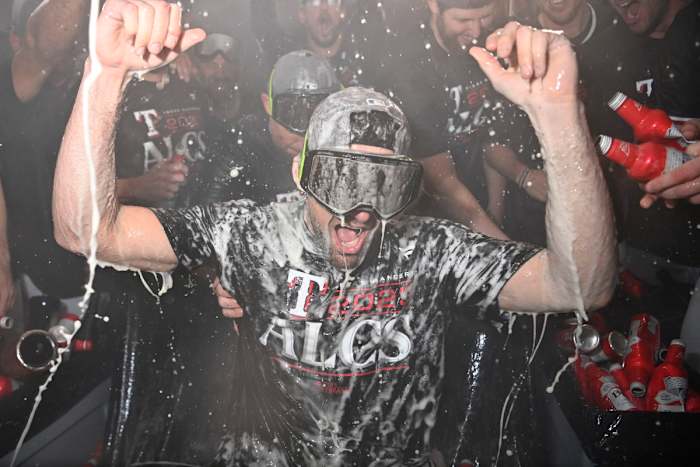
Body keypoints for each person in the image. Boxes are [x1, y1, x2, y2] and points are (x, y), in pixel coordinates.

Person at [53, 1, 615, 464]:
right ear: (302, 174)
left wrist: (561, 117)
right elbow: (85, 232)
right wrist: (103, 77)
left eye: (381, 182)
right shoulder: (252, 231)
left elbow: (581, 287)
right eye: (340, 176)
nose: (360, 209)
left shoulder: (431, 250)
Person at [381, 0, 519, 240]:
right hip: (429, 219)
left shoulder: (489, 42)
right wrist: (501, 247)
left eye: (484, 17)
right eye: (463, 20)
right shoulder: (408, 66)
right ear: (434, 5)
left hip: (481, 199)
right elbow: (443, 183)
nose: (476, 31)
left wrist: (496, 212)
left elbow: (493, 134)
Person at [0, 0, 89, 299]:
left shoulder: (87, 80)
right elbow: (50, 40)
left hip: (99, 268)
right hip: (38, 276)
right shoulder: (16, 81)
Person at [196, 49, 342, 205]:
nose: (305, 133)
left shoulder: (342, 145)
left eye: (318, 114)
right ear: (267, 104)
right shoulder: (235, 153)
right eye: (292, 113)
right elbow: (201, 218)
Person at [251, 0, 386, 86]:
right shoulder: (289, 60)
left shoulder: (362, 55)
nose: (324, 9)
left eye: (332, 1)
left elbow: (374, 12)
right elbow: (263, 24)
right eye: (315, 2)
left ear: (342, 12)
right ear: (302, 15)